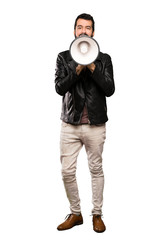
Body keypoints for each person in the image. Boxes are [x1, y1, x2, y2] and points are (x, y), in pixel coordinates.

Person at [55, 13, 115, 233]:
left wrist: (92, 67)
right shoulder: (63, 57)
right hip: (69, 124)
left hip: (95, 125)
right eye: (79, 27)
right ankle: (76, 213)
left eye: (87, 28)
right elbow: (59, 88)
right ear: (74, 31)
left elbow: (109, 89)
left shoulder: (104, 59)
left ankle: (97, 214)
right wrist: (77, 68)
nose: (83, 31)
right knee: (66, 172)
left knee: (96, 169)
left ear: (93, 33)